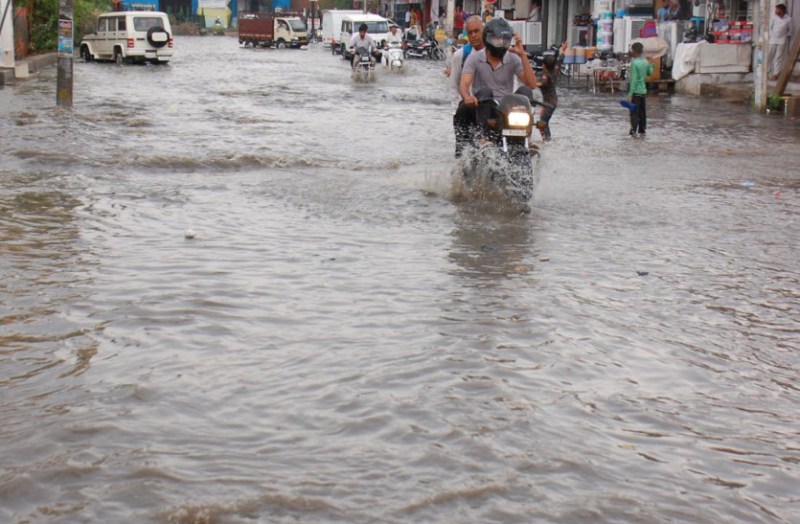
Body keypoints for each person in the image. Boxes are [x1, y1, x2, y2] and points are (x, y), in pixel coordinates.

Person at [459, 17, 538, 106]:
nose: (501, 43)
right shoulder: (474, 58)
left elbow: (532, 85)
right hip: (482, 106)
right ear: (487, 38)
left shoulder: (513, 58)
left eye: (505, 40)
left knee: (525, 91)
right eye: (497, 39)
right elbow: (464, 84)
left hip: (507, 108)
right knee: (485, 91)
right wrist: (467, 97)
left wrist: (523, 55)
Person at [444, 16, 485, 156]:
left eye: (477, 31)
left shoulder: (495, 53)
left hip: (490, 109)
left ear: (483, 31)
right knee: (463, 151)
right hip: (467, 109)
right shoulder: (461, 55)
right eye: (470, 32)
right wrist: (456, 111)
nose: (474, 35)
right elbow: (454, 87)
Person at [536, 41, 568, 141]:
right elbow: (560, 60)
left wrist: (532, 83)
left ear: (544, 65)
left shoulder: (545, 75)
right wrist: (563, 50)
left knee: (542, 122)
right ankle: (547, 139)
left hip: (548, 103)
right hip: (552, 101)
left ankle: (547, 141)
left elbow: (543, 83)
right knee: (544, 121)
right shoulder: (555, 70)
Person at [626, 41, 654, 136]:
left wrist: (630, 95)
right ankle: (642, 130)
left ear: (634, 51)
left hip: (635, 92)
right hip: (643, 92)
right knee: (642, 112)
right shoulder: (645, 62)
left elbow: (633, 80)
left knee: (634, 112)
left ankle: (633, 131)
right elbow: (650, 73)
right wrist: (651, 64)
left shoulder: (634, 63)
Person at [768, 3, 792, 81]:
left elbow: (791, 30)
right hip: (772, 39)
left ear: (781, 10)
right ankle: (768, 73)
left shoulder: (788, 19)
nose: (776, 10)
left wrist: (784, 35)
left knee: (778, 57)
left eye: (777, 9)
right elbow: (770, 27)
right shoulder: (774, 17)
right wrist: (771, 35)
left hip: (782, 40)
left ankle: (776, 74)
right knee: (769, 56)